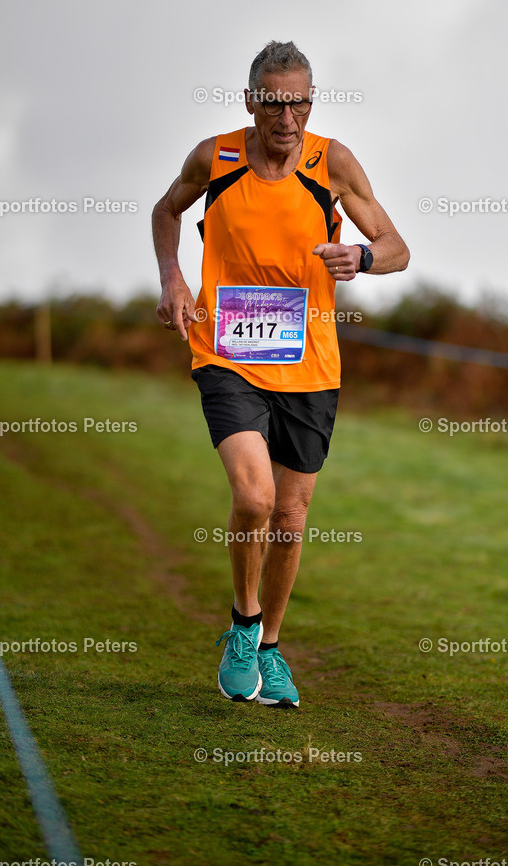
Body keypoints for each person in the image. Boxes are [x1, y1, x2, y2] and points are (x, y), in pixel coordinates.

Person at [152, 40, 409, 708]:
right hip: (227, 352)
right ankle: (242, 624)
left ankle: (269, 646)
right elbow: (165, 211)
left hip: (310, 363)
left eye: (298, 102)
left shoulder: (334, 162)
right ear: (250, 102)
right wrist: (174, 277)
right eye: (273, 102)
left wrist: (359, 256)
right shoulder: (217, 157)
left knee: (291, 516)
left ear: (310, 102)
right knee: (255, 497)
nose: (286, 117)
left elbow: (396, 250)